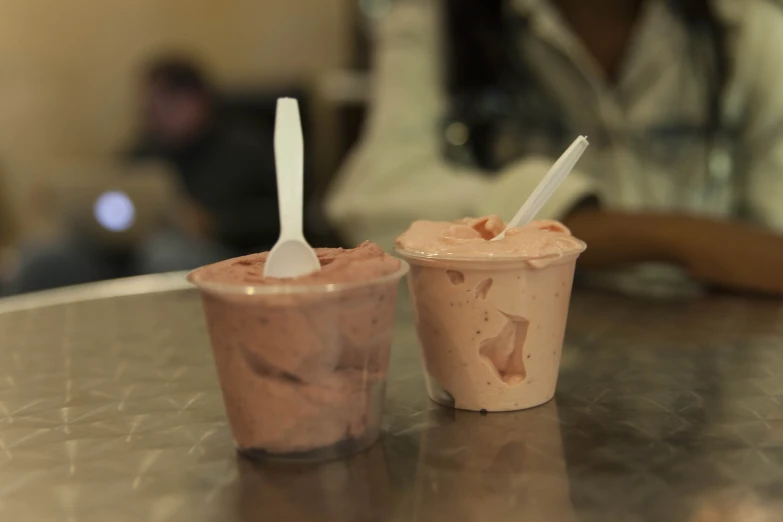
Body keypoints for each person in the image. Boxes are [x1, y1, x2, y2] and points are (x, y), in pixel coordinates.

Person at [326, 0, 783, 295]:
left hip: (708, 364)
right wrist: (670, 238)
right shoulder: (441, 22)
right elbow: (375, 201)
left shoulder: (744, 31)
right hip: (495, 334)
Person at [3, 57, 277, 295]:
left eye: (160, 103)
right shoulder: (145, 149)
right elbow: (115, 197)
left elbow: (285, 215)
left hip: (215, 254)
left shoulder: (246, 147)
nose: (149, 113)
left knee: (164, 255)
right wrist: (76, 211)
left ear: (194, 100)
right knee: (39, 259)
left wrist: (214, 224)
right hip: (127, 252)